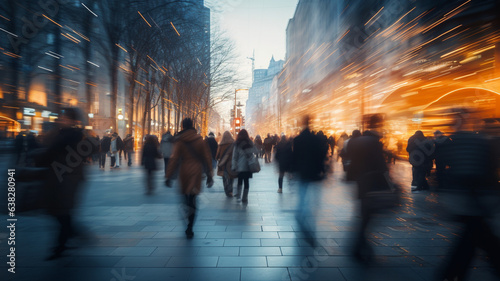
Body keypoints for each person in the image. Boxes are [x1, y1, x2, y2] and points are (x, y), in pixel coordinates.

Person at [437, 111, 500, 280]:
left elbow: (444, 166)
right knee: (479, 238)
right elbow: (491, 167)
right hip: (479, 197)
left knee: (473, 238)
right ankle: (451, 273)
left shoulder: (454, 141)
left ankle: (451, 273)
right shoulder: (482, 142)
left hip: (465, 198)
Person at [41, 108, 87, 260]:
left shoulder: (70, 136)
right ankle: (70, 235)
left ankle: (62, 244)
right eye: (60, 117)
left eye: (64, 118)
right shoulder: (66, 134)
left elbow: (50, 152)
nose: (60, 120)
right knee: (60, 211)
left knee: (60, 211)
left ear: (72, 121)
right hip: (62, 178)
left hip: (66, 179)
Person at [348, 114, 391, 262]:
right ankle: (357, 247)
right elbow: (381, 166)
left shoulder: (356, 141)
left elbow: (351, 163)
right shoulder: (375, 142)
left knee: (365, 216)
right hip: (373, 184)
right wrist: (390, 183)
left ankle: (358, 247)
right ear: (378, 124)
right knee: (367, 218)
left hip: (361, 183)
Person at [165, 118, 213, 238]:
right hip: (196, 171)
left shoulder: (180, 140)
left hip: (184, 171)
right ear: (192, 126)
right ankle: (190, 227)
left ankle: (186, 211)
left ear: (183, 126)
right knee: (193, 198)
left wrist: (169, 176)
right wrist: (209, 175)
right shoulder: (200, 140)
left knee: (185, 197)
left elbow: (174, 158)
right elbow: (207, 158)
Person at [292, 116, 327, 246]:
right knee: (313, 198)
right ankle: (308, 217)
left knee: (302, 195)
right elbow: (321, 155)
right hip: (314, 172)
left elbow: (294, 157)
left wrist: (293, 171)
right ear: (310, 123)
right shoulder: (316, 139)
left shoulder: (298, 139)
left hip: (302, 172)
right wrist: (322, 169)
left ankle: (300, 213)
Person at [231, 129, 258, 203]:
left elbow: (234, 156)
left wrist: (234, 166)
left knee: (240, 181)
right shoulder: (250, 143)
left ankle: (238, 196)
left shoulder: (237, 144)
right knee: (246, 182)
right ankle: (245, 197)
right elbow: (256, 151)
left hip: (240, 167)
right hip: (248, 166)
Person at [216, 131, 236, 197]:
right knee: (231, 177)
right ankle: (230, 191)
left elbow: (217, 156)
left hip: (223, 164)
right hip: (231, 164)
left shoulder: (221, 145)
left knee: (224, 177)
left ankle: (226, 190)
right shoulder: (233, 144)